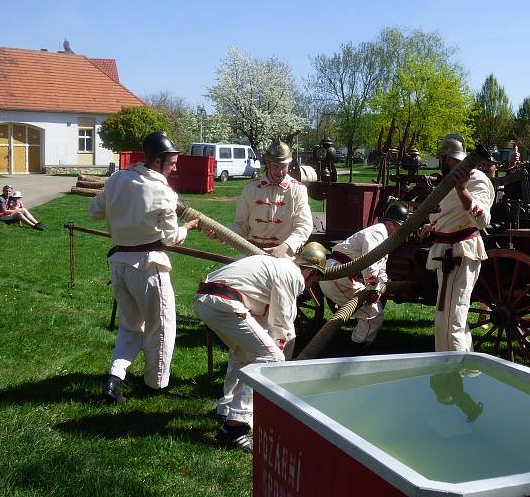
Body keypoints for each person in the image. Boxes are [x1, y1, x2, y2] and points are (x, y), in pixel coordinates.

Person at [89, 131, 199, 403]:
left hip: (119, 265)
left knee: (130, 327)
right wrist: (188, 227)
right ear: (159, 161)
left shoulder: (117, 179)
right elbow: (171, 238)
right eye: (172, 163)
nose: (175, 168)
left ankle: (114, 380)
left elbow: (94, 211)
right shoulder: (163, 191)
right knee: (161, 327)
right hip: (149, 266)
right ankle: (156, 385)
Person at [193, 243, 327, 451]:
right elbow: (283, 325)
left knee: (245, 352)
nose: (310, 286)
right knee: (272, 358)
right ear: (309, 271)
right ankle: (234, 428)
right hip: (223, 302)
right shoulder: (292, 275)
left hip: (207, 300)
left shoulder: (278, 267)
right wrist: (283, 369)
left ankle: (226, 409)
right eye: (314, 280)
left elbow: (265, 319)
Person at [419, 134, 494, 352]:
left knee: (455, 317)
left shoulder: (477, 180)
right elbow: (449, 214)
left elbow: (481, 220)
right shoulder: (449, 181)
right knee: (444, 316)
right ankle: (446, 363)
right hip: (447, 251)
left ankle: (458, 371)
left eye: (448, 158)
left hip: (463, 251)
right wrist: (433, 225)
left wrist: (462, 188)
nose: (446, 162)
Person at [317, 201, 409, 350]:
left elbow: (380, 267)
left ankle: (358, 348)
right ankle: (355, 352)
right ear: (391, 224)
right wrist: (373, 288)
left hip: (342, 277)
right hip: (337, 275)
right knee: (372, 314)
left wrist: (384, 286)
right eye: (400, 226)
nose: (402, 231)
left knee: (372, 311)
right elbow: (370, 262)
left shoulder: (383, 236)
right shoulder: (378, 233)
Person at [229, 139, 312, 258]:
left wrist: (285, 247)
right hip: (251, 254)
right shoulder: (250, 189)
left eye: (283, 167)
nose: (280, 172)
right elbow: (241, 226)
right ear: (268, 164)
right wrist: (220, 233)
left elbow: (304, 225)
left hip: (284, 255)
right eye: (276, 167)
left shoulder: (298, 190)